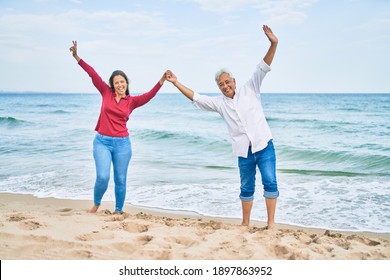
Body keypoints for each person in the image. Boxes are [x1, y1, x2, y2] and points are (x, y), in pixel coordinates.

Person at [166, 25, 279, 228]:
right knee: (246, 187)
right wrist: (176, 82)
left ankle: (271, 224)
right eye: (221, 85)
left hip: (264, 146)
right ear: (219, 87)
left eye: (228, 82)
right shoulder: (219, 103)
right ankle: (245, 224)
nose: (225, 86)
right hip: (244, 152)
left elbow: (263, 66)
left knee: (270, 182)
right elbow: (196, 97)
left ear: (234, 81)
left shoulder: (250, 88)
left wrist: (273, 43)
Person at [69, 41, 167, 214]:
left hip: (123, 144)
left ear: (126, 84)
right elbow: (92, 74)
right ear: (112, 85)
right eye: (116, 83)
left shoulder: (132, 102)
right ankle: (97, 203)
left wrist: (162, 80)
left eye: (123, 82)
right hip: (102, 142)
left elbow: (150, 95)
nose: (120, 85)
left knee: (120, 179)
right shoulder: (105, 92)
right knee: (103, 177)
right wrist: (77, 57)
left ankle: (118, 211)